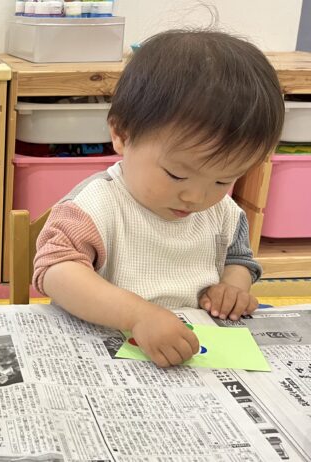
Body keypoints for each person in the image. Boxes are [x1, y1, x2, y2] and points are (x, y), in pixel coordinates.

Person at [32, 30, 284, 368]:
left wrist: (232, 286)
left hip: (194, 353)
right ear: (122, 134)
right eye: (177, 175)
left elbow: (239, 258)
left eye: (223, 179)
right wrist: (138, 315)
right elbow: (56, 272)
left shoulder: (223, 212)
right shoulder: (96, 206)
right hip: (107, 351)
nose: (195, 196)